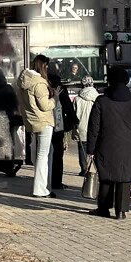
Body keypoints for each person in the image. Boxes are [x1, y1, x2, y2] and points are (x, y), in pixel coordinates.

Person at [85, 66, 131, 219]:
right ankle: (121, 211)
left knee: (106, 177)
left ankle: (104, 208)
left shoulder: (102, 101)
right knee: (124, 178)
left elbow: (94, 128)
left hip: (107, 145)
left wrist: (90, 150)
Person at [19, 54, 56, 197]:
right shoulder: (39, 83)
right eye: (46, 66)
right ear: (42, 66)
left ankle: (41, 186)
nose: (47, 68)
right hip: (44, 121)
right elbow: (45, 105)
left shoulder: (24, 81)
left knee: (37, 153)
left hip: (31, 121)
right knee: (43, 155)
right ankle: (40, 188)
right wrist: (55, 98)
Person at [49, 62, 77, 192]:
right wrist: (74, 121)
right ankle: (56, 181)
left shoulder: (43, 85)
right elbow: (68, 107)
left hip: (44, 123)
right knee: (57, 154)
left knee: (44, 154)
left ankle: (46, 179)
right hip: (58, 125)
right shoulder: (60, 88)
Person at [74, 75, 101, 177]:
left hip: (81, 127)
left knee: (82, 149)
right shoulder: (98, 98)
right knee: (96, 149)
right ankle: (98, 169)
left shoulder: (77, 99)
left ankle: (84, 169)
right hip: (95, 128)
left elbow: (74, 113)